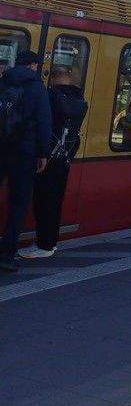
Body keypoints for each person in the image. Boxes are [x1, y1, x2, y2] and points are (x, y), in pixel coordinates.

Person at [19, 66, 88, 260]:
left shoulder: (50, 97)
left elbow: (42, 126)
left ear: (52, 79)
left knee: (43, 202)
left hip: (47, 159)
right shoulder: (80, 100)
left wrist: (41, 153)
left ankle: (44, 245)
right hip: (64, 159)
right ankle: (50, 242)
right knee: (55, 202)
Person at [0, 50, 52, 272]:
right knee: (18, 204)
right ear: (32, 65)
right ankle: (6, 256)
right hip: (25, 153)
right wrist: (43, 154)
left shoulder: (3, 82)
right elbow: (44, 122)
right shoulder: (37, 88)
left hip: (1, 148)